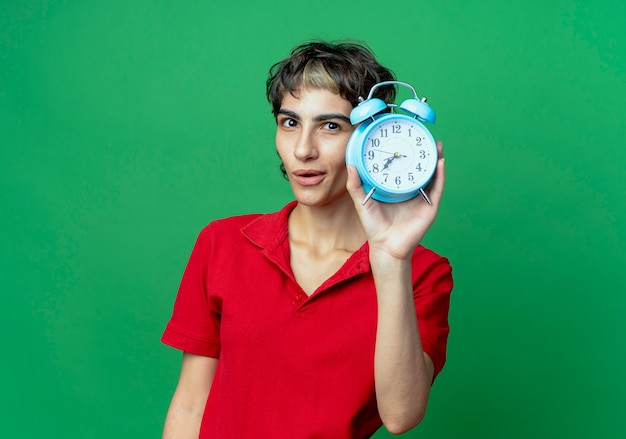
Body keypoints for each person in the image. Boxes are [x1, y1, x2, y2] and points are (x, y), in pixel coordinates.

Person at [161, 40, 453, 438]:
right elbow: (192, 402)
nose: (302, 150)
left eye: (330, 126)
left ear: (373, 139)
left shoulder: (422, 272)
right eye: (290, 122)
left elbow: (400, 416)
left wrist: (390, 258)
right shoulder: (223, 243)